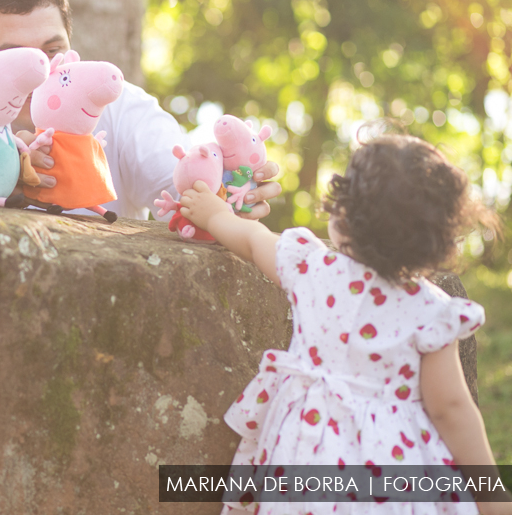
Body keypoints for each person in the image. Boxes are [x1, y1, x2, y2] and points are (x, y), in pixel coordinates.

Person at [178, 134, 509, 514]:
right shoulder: (431, 312)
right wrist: (493, 500)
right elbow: (451, 408)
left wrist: (213, 214)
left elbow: (254, 239)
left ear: (344, 214)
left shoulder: (312, 269)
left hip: (303, 455)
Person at [0, 0, 282, 220]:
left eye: (53, 52)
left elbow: (183, 190)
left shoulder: (122, 107)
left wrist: (234, 192)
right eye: (15, 58)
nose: (42, 72)